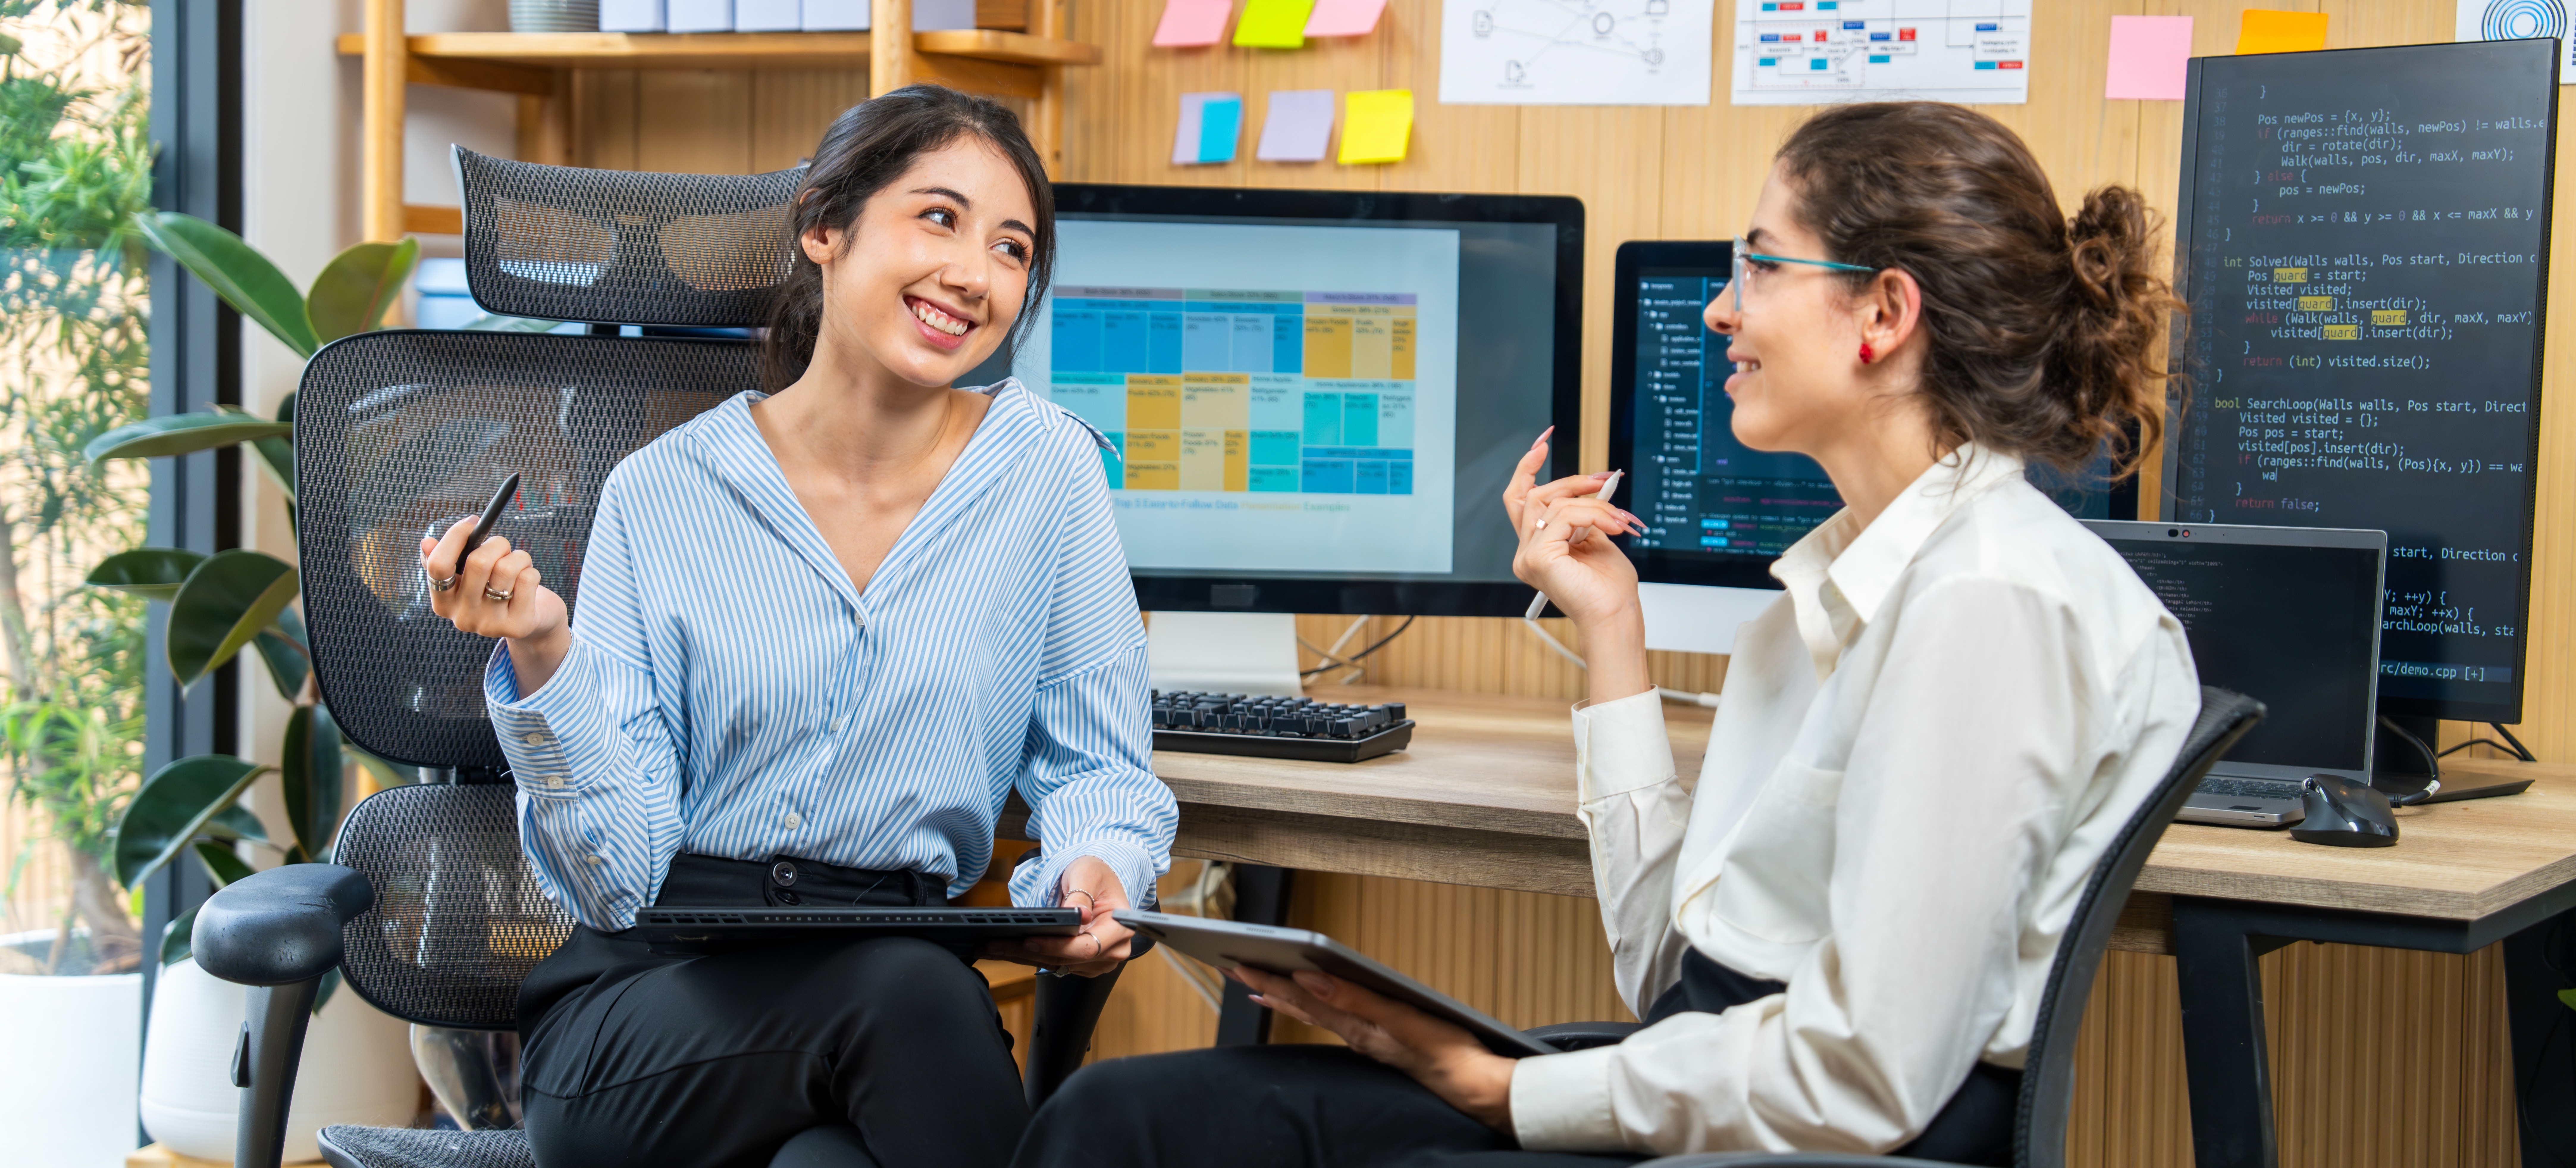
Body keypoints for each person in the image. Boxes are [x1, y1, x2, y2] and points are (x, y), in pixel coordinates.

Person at [1009, 101, 2199, 1167]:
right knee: (1114, 1123)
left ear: (1883, 311)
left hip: (1824, 1136)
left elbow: (1865, 1075)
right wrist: (1611, 629)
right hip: (1726, 1079)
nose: (1724, 308)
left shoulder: (1986, 602)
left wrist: (1506, 1089)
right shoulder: (1825, 602)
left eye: (1759, 264)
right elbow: (1670, 978)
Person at [416, 85, 1176, 1168]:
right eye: (939, 218)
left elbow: (1101, 764)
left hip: (889, 975)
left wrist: (1098, 863)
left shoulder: (1048, 474)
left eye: (1013, 249)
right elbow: (611, 879)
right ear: (825, 227)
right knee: (910, 1000)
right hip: (651, 1005)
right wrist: (544, 648)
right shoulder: (662, 491)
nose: (975, 273)